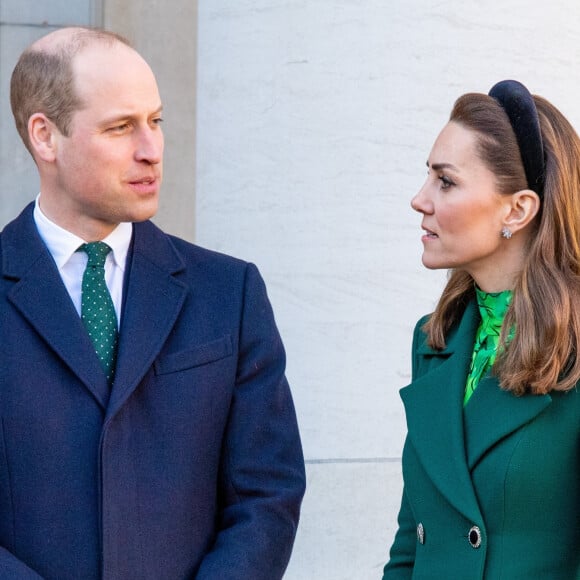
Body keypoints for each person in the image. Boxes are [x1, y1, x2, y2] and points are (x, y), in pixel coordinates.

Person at [1, 26, 305, 579]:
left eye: (156, 121)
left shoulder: (229, 293)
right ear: (44, 137)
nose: (151, 149)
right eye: (120, 127)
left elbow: (267, 493)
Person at [382, 80, 580, 579]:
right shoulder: (435, 339)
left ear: (517, 209)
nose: (419, 200)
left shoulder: (574, 347)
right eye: (428, 177)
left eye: (445, 182)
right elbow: (413, 540)